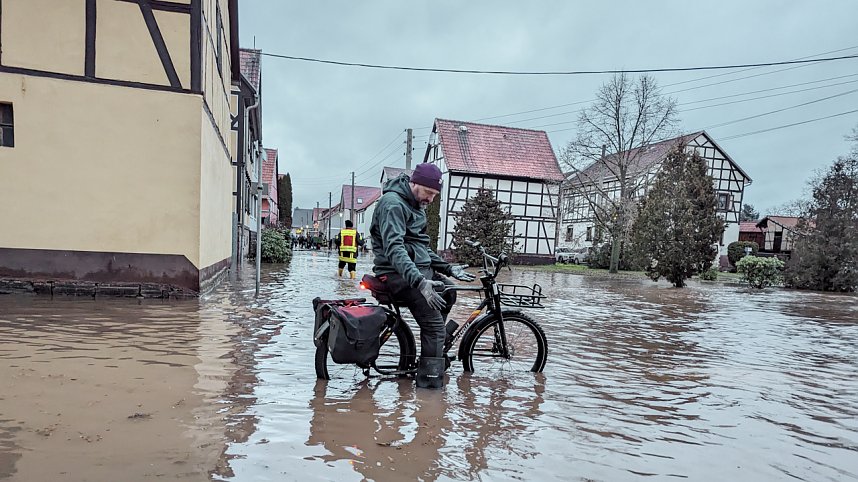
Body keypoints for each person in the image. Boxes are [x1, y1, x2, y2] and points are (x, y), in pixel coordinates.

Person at [369, 163, 475, 389]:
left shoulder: (416, 205)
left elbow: (421, 248)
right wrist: (420, 282)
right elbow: (395, 249)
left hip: (417, 271)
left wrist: (448, 268)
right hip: (396, 273)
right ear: (413, 183)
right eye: (428, 193)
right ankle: (429, 392)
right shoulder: (393, 205)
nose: (431, 199)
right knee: (434, 328)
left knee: (449, 292)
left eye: (435, 195)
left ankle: (433, 349)